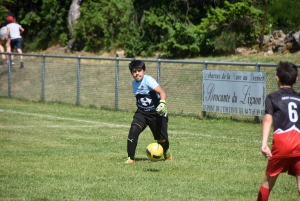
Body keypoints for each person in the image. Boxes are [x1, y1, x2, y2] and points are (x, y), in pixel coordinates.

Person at [256, 61, 300, 200]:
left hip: (282, 144)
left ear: (277, 78)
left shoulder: (272, 98)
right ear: (296, 79)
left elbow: (268, 119)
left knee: (268, 182)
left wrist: (264, 143)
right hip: (299, 143)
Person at [124, 59, 172, 164]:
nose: (137, 73)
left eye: (139, 70)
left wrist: (162, 103)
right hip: (142, 113)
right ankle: (131, 158)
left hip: (157, 114)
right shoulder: (134, 84)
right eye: (134, 71)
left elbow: (162, 92)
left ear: (144, 71)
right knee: (133, 131)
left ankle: (166, 151)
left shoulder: (148, 80)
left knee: (162, 140)